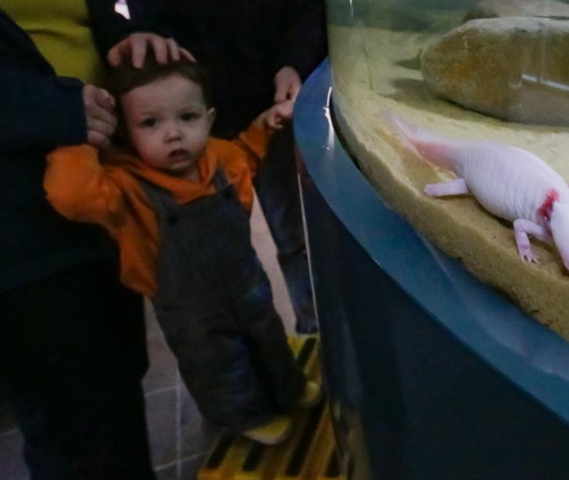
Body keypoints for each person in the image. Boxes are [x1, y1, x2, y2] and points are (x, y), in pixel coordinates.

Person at [44, 53, 322, 445]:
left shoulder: (220, 157)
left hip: (246, 283)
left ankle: (288, 387)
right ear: (125, 132)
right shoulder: (126, 187)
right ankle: (245, 415)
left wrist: (265, 126)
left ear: (208, 119)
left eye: (187, 118)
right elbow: (71, 196)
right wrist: (80, 139)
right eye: (150, 123)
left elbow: (246, 152)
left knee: (268, 334)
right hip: (188, 306)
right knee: (217, 361)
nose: (172, 134)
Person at [0, 2, 174, 478]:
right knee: (75, 424)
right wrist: (46, 108)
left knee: (116, 385)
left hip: (99, 184)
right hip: (22, 231)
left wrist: (127, 31)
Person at [122, 0, 329, 334]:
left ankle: (317, 334)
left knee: (297, 236)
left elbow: (306, 9)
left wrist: (294, 62)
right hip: (191, 111)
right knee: (214, 256)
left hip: (268, 100)